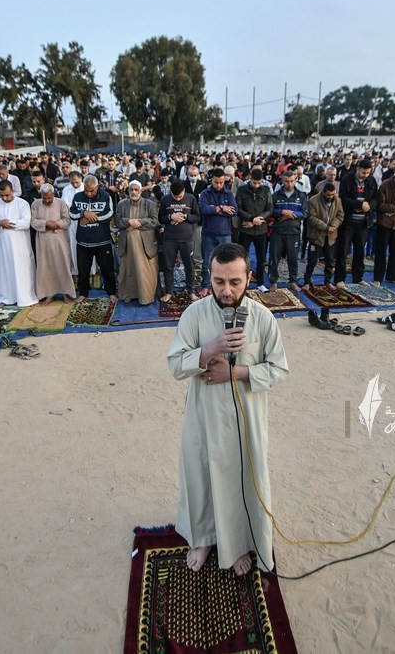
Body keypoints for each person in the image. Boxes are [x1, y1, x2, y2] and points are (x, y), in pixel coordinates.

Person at [167, 242, 288, 576]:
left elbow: (278, 369)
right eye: (219, 281)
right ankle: (203, 538)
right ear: (210, 276)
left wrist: (235, 373)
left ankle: (237, 545)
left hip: (245, 423)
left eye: (235, 282)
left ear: (249, 277)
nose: (226, 290)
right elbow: (176, 366)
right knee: (202, 477)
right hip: (203, 419)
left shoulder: (263, 319)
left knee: (240, 480)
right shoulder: (194, 314)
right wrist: (210, 349)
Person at [0, 179, 37, 307]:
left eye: (7, 195)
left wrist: (8, 224)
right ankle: (5, 298)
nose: (4, 198)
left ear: (13, 191)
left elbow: (26, 223)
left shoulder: (22, 204)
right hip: (2, 247)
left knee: (22, 271)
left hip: (20, 246)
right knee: (4, 271)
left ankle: (25, 298)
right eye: (1, 195)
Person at [69, 175, 118, 302]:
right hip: (84, 241)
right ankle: (83, 292)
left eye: (92, 190)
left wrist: (90, 218)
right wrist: (83, 213)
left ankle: (111, 291)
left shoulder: (106, 196)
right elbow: (71, 213)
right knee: (83, 269)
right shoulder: (78, 196)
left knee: (107, 268)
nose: (89, 193)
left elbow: (110, 214)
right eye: (86, 190)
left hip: (102, 240)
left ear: (97, 187)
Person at [115, 180, 160, 305]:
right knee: (128, 270)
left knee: (144, 271)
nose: (133, 192)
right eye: (131, 190)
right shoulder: (121, 204)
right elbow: (117, 221)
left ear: (141, 191)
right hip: (128, 246)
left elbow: (154, 221)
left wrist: (137, 223)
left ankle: (145, 297)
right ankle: (128, 295)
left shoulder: (150, 204)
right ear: (128, 191)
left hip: (145, 244)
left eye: (136, 190)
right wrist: (129, 221)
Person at [30, 183, 76, 304]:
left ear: (53, 195)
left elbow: (67, 220)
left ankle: (66, 293)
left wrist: (56, 225)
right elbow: (33, 221)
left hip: (59, 241)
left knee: (63, 266)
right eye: (44, 198)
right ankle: (48, 294)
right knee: (46, 268)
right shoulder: (35, 204)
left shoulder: (61, 203)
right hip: (43, 242)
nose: (47, 200)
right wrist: (45, 224)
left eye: (49, 198)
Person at [336, 159, 378, 285]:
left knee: (360, 251)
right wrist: (360, 204)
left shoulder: (371, 180)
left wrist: (370, 206)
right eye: (363, 173)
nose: (365, 175)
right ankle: (340, 279)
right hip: (348, 221)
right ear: (358, 168)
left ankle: (358, 278)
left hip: (363, 222)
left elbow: (376, 198)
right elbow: (343, 198)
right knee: (343, 251)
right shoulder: (347, 179)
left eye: (368, 173)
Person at [158, 179, 199, 303]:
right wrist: (171, 217)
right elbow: (160, 218)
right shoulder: (165, 199)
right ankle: (169, 292)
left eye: (180, 197)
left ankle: (191, 291)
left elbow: (197, 216)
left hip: (187, 238)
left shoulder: (190, 198)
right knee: (168, 267)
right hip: (170, 239)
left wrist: (186, 216)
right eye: (175, 197)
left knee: (190, 266)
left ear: (184, 191)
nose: (177, 199)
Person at [198, 169, 237, 287]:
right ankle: (205, 285)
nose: (219, 185)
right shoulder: (205, 193)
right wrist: (221, 208)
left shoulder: (229, 194)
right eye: (216, 182)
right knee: (207, 262)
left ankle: (225, 286)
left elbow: (234, 212)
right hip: (208, 233)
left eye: (221, 182)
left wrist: (214, 209)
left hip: (225, 233)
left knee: (226, 262)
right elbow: (203, 210)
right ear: (212, 180)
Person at [235, 169, 273, 289]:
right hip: (245, 229)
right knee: (243, 258)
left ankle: (260, 283)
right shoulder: (241, 190)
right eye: (254, 182)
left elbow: (269, 209)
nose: (257, 185)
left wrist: (256, 221)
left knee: (261, 258)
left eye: (259, 183)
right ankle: (242, 281)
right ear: (250, 179)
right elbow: (238, 209)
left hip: (261, 230)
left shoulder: (266, 190)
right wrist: (251, 219)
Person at [268, 170, 304, 290]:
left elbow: (306, 213)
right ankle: (273, 281)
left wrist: (292, 214)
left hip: (294, 232)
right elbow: (270, 211)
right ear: (282, 181)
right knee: (274, 258)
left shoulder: (301, 195)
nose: (289, 184)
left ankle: (293, 281)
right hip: (278, 232)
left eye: (292, 181)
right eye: (286, 181)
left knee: (293, 259)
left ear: (295, 181)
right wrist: (281, 212)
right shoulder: (276, 195)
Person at [303, 181, 344, 286]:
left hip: (331, 236)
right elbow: (311, 218)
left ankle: (327, 281)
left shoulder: (337, 200)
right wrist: (326, 227)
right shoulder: (313, 201)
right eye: (328, 195)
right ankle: (307, 281)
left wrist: (333, 226)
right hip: (316, 235)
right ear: (323, 193)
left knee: (330, 261)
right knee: (312, 260)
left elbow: (340, 215)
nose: (330, 197)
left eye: (332, 194)